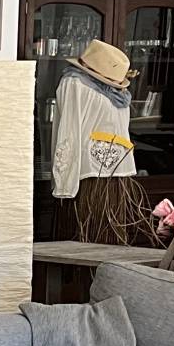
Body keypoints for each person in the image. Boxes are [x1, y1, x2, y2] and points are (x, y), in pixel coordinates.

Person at [50, 38, 151, 245]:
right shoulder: (74, 83)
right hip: (88, 173)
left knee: (108, 233)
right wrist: (65, 184)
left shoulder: (119, 94)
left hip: (116, 174)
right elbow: (69, 130)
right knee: (87, 232)